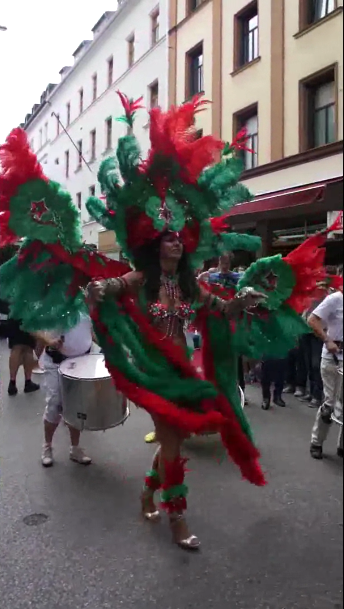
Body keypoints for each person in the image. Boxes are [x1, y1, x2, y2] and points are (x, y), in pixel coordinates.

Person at [0, 94, 335, 552]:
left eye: (181, 238)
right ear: (155, 244)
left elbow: (220, 310)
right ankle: (178, 518)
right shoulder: (141, 277)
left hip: (182, 371)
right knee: (174, 435)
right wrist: (97, 291)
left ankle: (147, 492)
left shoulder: (192, 285)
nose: (176, 243)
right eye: (169, 239)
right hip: (151, 370)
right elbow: (110, 288)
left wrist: (245, 300)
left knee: (178, 434)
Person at [33, 315, 93, 467]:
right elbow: (31, 324)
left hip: (82, 361)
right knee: (55, 404)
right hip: (55, 361)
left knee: (77, 406)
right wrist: (48, 341)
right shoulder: (52, 296)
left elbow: (89, 329)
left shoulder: (86, 296)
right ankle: (47, 446)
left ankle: (75, 448)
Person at [309, 288, 343, 459]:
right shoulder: (334, 299)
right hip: (333, 358)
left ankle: (342, 445)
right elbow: (313, 320)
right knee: (329, 404)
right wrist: (327, 340)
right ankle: (317, 442)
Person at [6, 317, 40, 396]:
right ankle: (28, 382)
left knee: (16, 347)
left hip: (14, 312)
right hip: (28, 314)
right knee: (28, 348)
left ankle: (12, 383)